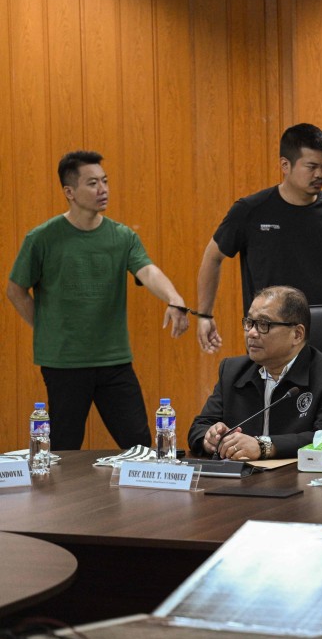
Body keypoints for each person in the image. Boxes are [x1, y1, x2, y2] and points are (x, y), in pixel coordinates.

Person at [7, 150, 189, 450]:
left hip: (114, 360)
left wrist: (174, 297)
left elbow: (147, 270)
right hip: (63, 362)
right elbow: (15, 290)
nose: (103, 189)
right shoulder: (42, 238)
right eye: (92, 183)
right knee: (64, 449)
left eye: (105, 181)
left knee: (139, 445)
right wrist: (46, 327)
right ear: (69, 192)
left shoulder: (122, 236)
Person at [196, 123, 322, 354]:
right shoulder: (250, 211)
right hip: (267, 337)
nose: (320, 174)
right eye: (311, 167)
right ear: (285, 165)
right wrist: (204, 315)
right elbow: (212, 257)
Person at [188, 285, 322, 459]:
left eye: (263, 324)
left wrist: (265, 446)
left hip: (295, 474)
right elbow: (199, 427)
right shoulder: (232, 370)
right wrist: (210, 438)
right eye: (249, 323)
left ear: (297, 334)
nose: (251, 333)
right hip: (241, 474)